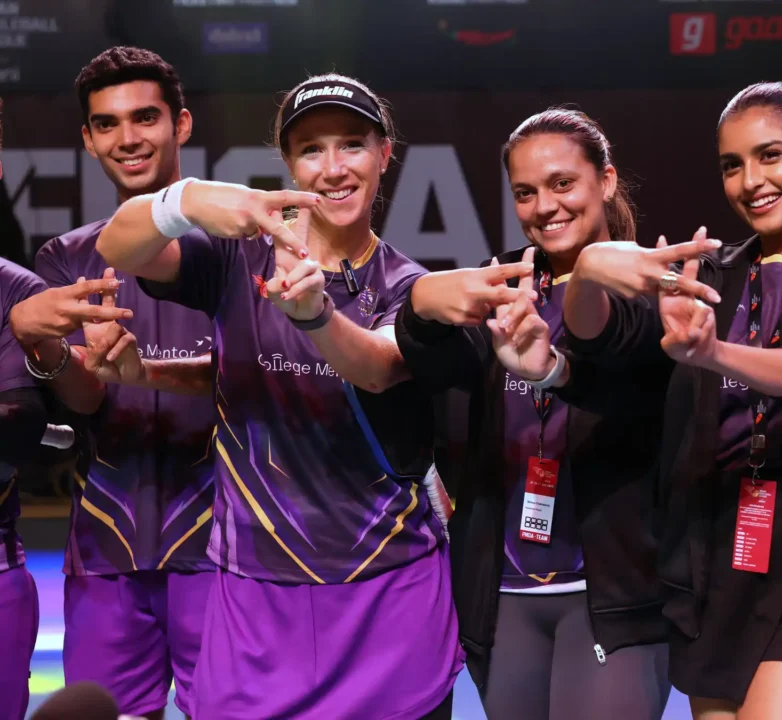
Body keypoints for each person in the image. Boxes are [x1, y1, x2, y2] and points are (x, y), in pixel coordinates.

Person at [546, 82, 782, 720]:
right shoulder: (705, 281)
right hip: (713, 579)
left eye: (770, 155)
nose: (751, 181)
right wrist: (586, 275)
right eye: (732, 165)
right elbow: (602, 339)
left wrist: (713, 353)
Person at [94, 72, 463, 720]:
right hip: (254, 605)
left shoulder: (409, 286)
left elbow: (377, 368)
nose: (333, 167)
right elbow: (118, 244)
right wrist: (186, 200)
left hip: (389, 593)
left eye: (352, 144)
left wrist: (314, 314)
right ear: (289, 164)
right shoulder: (235, 260)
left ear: (385, 154)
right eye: (311, 149)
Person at [396, 108, 714, 720]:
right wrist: (419, 305)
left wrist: (583, 288)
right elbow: (429, 368)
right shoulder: (506, 285)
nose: (545, 206)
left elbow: (609, 352)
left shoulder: (655, 287)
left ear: (607, 180)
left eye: (563, 183)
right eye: (525, 192)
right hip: (505, 594)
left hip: (615, 594)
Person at [24, 47, 217, 720]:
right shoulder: (66, 258)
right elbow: (85, 399)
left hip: (225, 548)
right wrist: (51, 350)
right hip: (106, 547)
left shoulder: (238, 248)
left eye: (145, 118)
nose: (127, 138)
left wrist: (150, 369)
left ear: (181, 124)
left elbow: (263, 381)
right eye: (107, 124)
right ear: (88, 138)